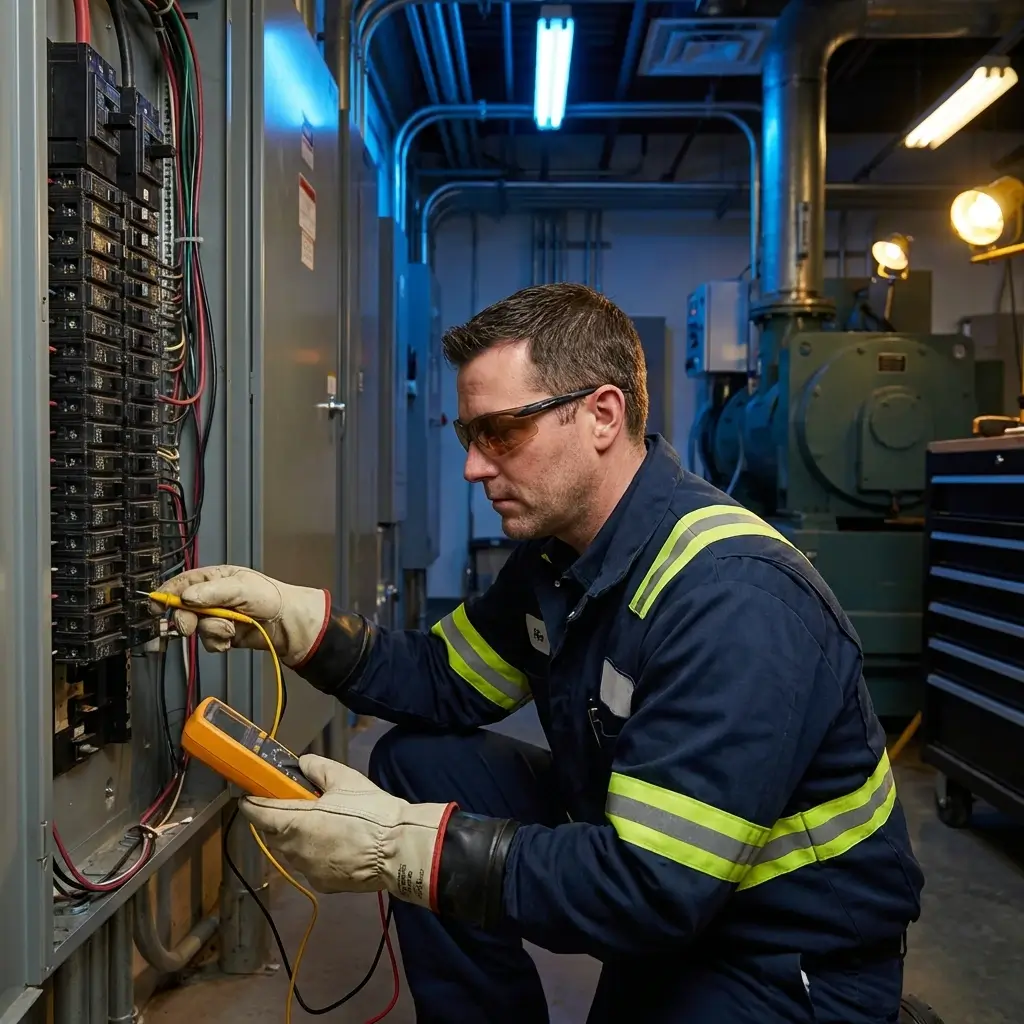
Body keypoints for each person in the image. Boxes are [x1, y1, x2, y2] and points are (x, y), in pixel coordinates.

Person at [158, 283, 924, 1024]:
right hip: (670, 895)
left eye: (502, 433)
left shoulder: (733, 597)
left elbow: (654, 887)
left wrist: (406, 849)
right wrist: (299, 623)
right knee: (424, 764)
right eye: (469, 436)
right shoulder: (560, 558)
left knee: (440, 826)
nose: (474, 467)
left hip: (780, 952)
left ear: (601, 414)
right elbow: (440, 680)